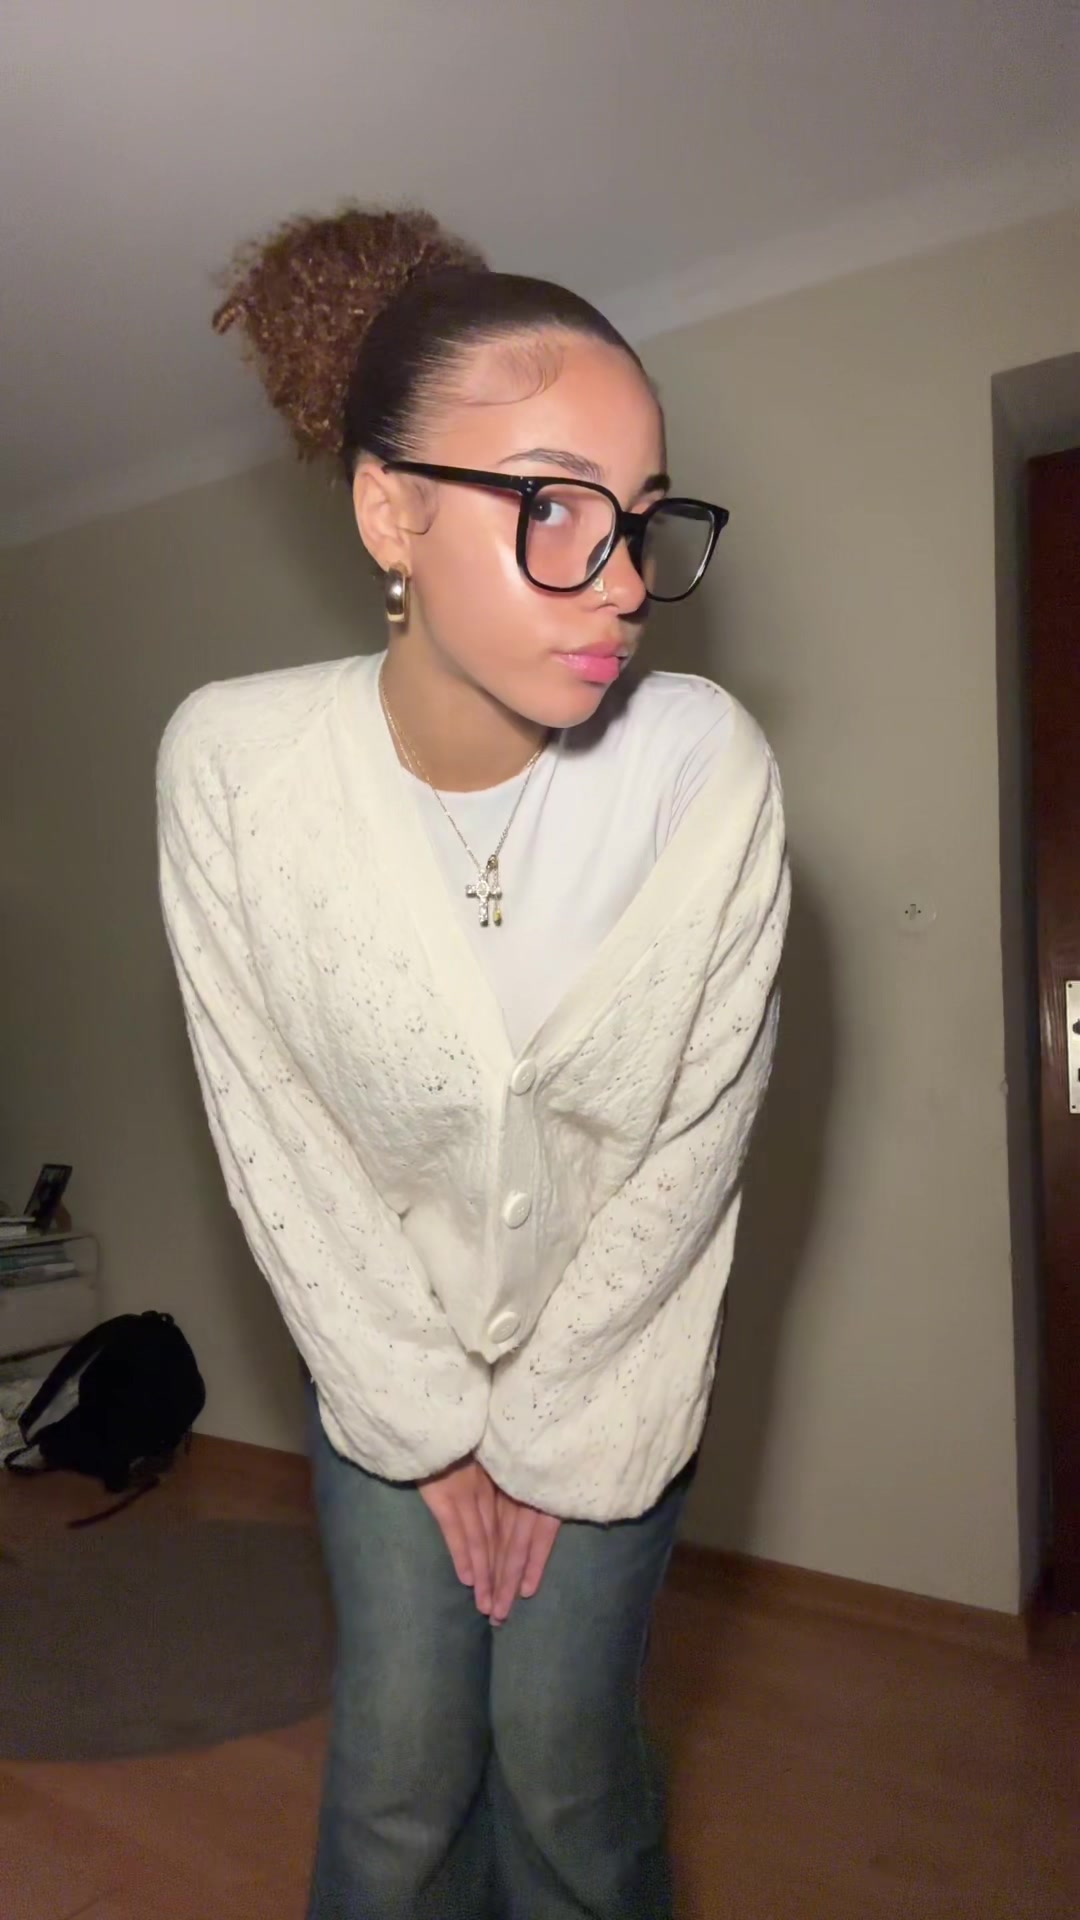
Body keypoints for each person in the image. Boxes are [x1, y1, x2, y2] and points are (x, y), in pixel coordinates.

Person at [157, 204, 790, 1920]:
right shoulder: (233, 769)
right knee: (398, 1785)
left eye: (642, 518)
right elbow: (278, 1139)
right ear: (393, 511)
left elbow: (692, 1151)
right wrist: (432, 1433)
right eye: (555, 508)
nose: (625, 580)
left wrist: (547, 1434)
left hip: (617, 1373)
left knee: (569, 1780)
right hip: (378, 1371)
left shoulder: (705, 768)